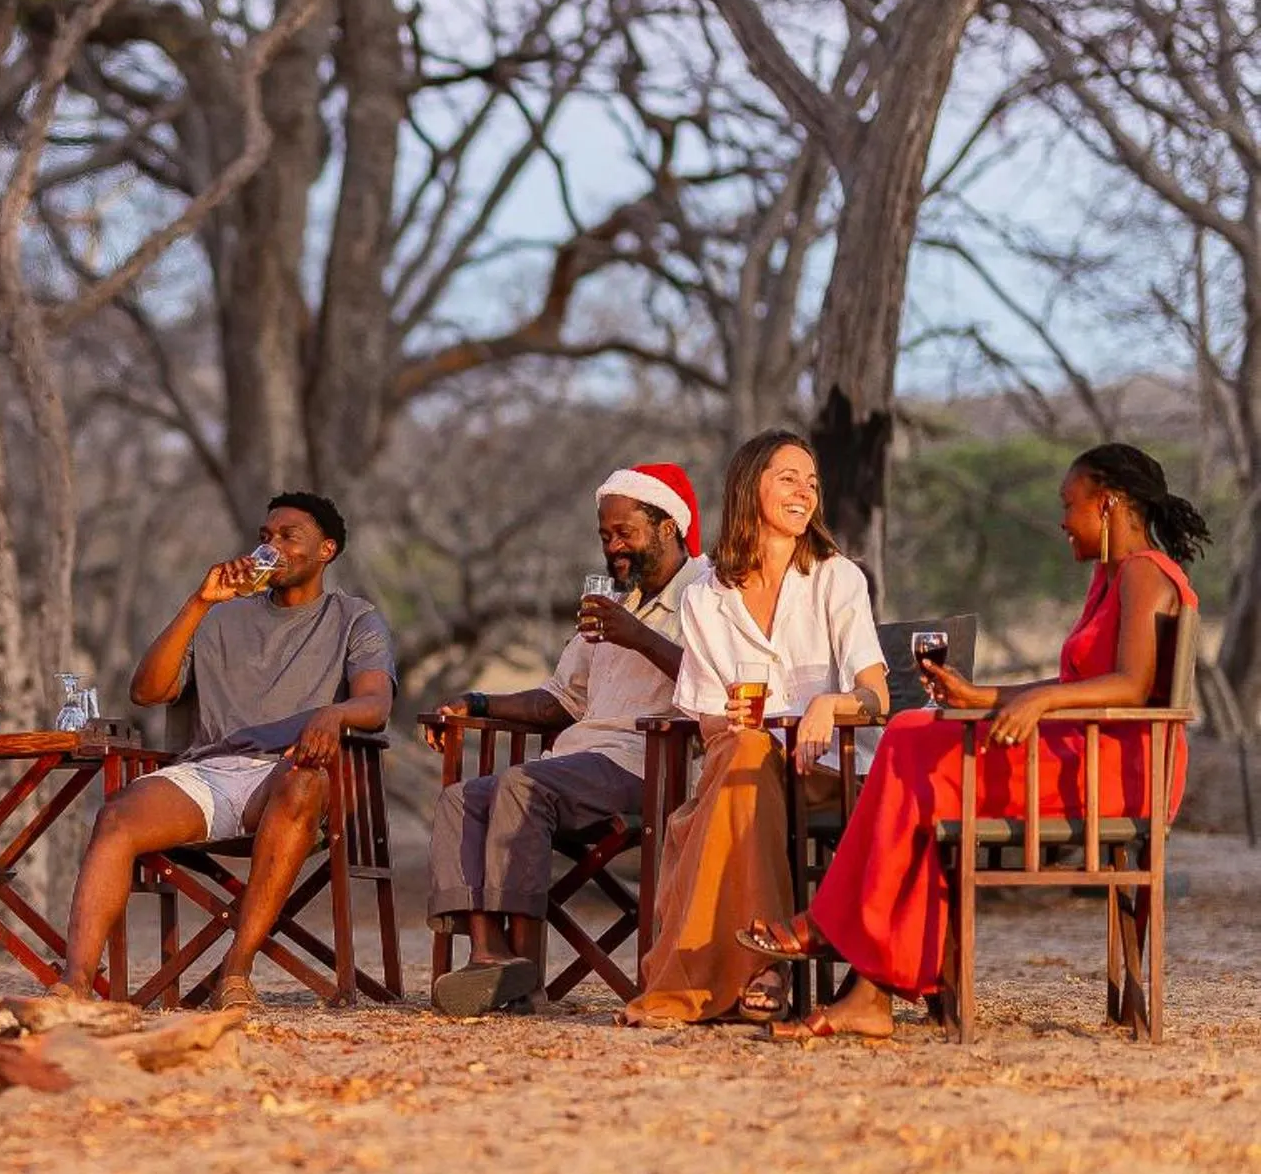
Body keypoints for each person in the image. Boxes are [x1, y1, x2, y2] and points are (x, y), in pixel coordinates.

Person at [743, 444, 1207, 1040]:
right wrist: (981, 696)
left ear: (1109, 502)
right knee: (913, 750)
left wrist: (1035, 704)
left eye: (1070, 505)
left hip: (1110, 770)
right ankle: (869, 989)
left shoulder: (1144, 571)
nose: (1063, 520)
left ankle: (840, 936)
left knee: (911, 740)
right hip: (1082, 754)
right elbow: (1076, 682)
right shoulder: (1111, 576)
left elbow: (1131, 684)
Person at [55, 492, 396, 1011]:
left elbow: (374, 702)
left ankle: (235, 973)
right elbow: (147, 691)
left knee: (303, 782)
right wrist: (200, 602)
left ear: (326, 550)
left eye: (288, 537)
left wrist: (332, 714)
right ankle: (75, 985)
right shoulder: (219, 618)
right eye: (265, 537)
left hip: (292, 775)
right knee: (118, 815)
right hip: (209, 771)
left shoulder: (354, 618)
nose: (271, 547)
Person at [617, 430, 890, 1028]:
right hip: (748, 769)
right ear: (749, 487)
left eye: (812, 483)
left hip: (830, 769)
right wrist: (730, 723)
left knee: (734, 780)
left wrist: (831, 706)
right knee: (742, 754)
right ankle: (766, 967)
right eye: (788, 478)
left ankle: (727, 969)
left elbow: (877, 697)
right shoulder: (707, 597)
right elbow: (705, 714)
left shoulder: (835, 577)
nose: (804, 493)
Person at [425, 464, 707, 1016]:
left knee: (520, 785)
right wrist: (478, 703)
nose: (613, 546)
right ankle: (492, 955)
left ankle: (526, 983)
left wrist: (641, 637)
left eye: (625, 532)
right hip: (577, 764)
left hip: (648, 765)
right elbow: (560, 700)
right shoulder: (612, 603)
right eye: (605, 535)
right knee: (461, 798)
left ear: (668, 527)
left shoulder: (707, 593)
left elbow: (715, 683)